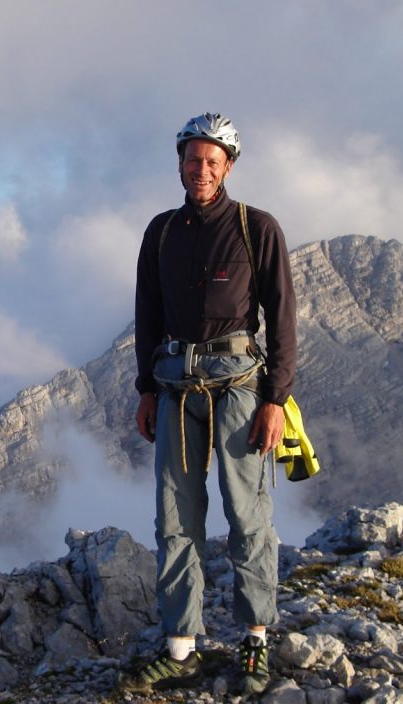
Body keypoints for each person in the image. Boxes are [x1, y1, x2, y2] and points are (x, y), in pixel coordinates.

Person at [122, 112, 296, 695]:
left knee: (248, 514)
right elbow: (147, 313)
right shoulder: (162, 232)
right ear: (180, 164)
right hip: (173, 389)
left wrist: (276, 400)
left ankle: (255, 639)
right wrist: (145, 388)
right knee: (176, 517)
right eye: (192, 160)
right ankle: (181, 647)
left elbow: (283, 317)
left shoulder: (255, 228)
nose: (200, 169)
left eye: (211, 161)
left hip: (241, 391)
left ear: (227, 168)